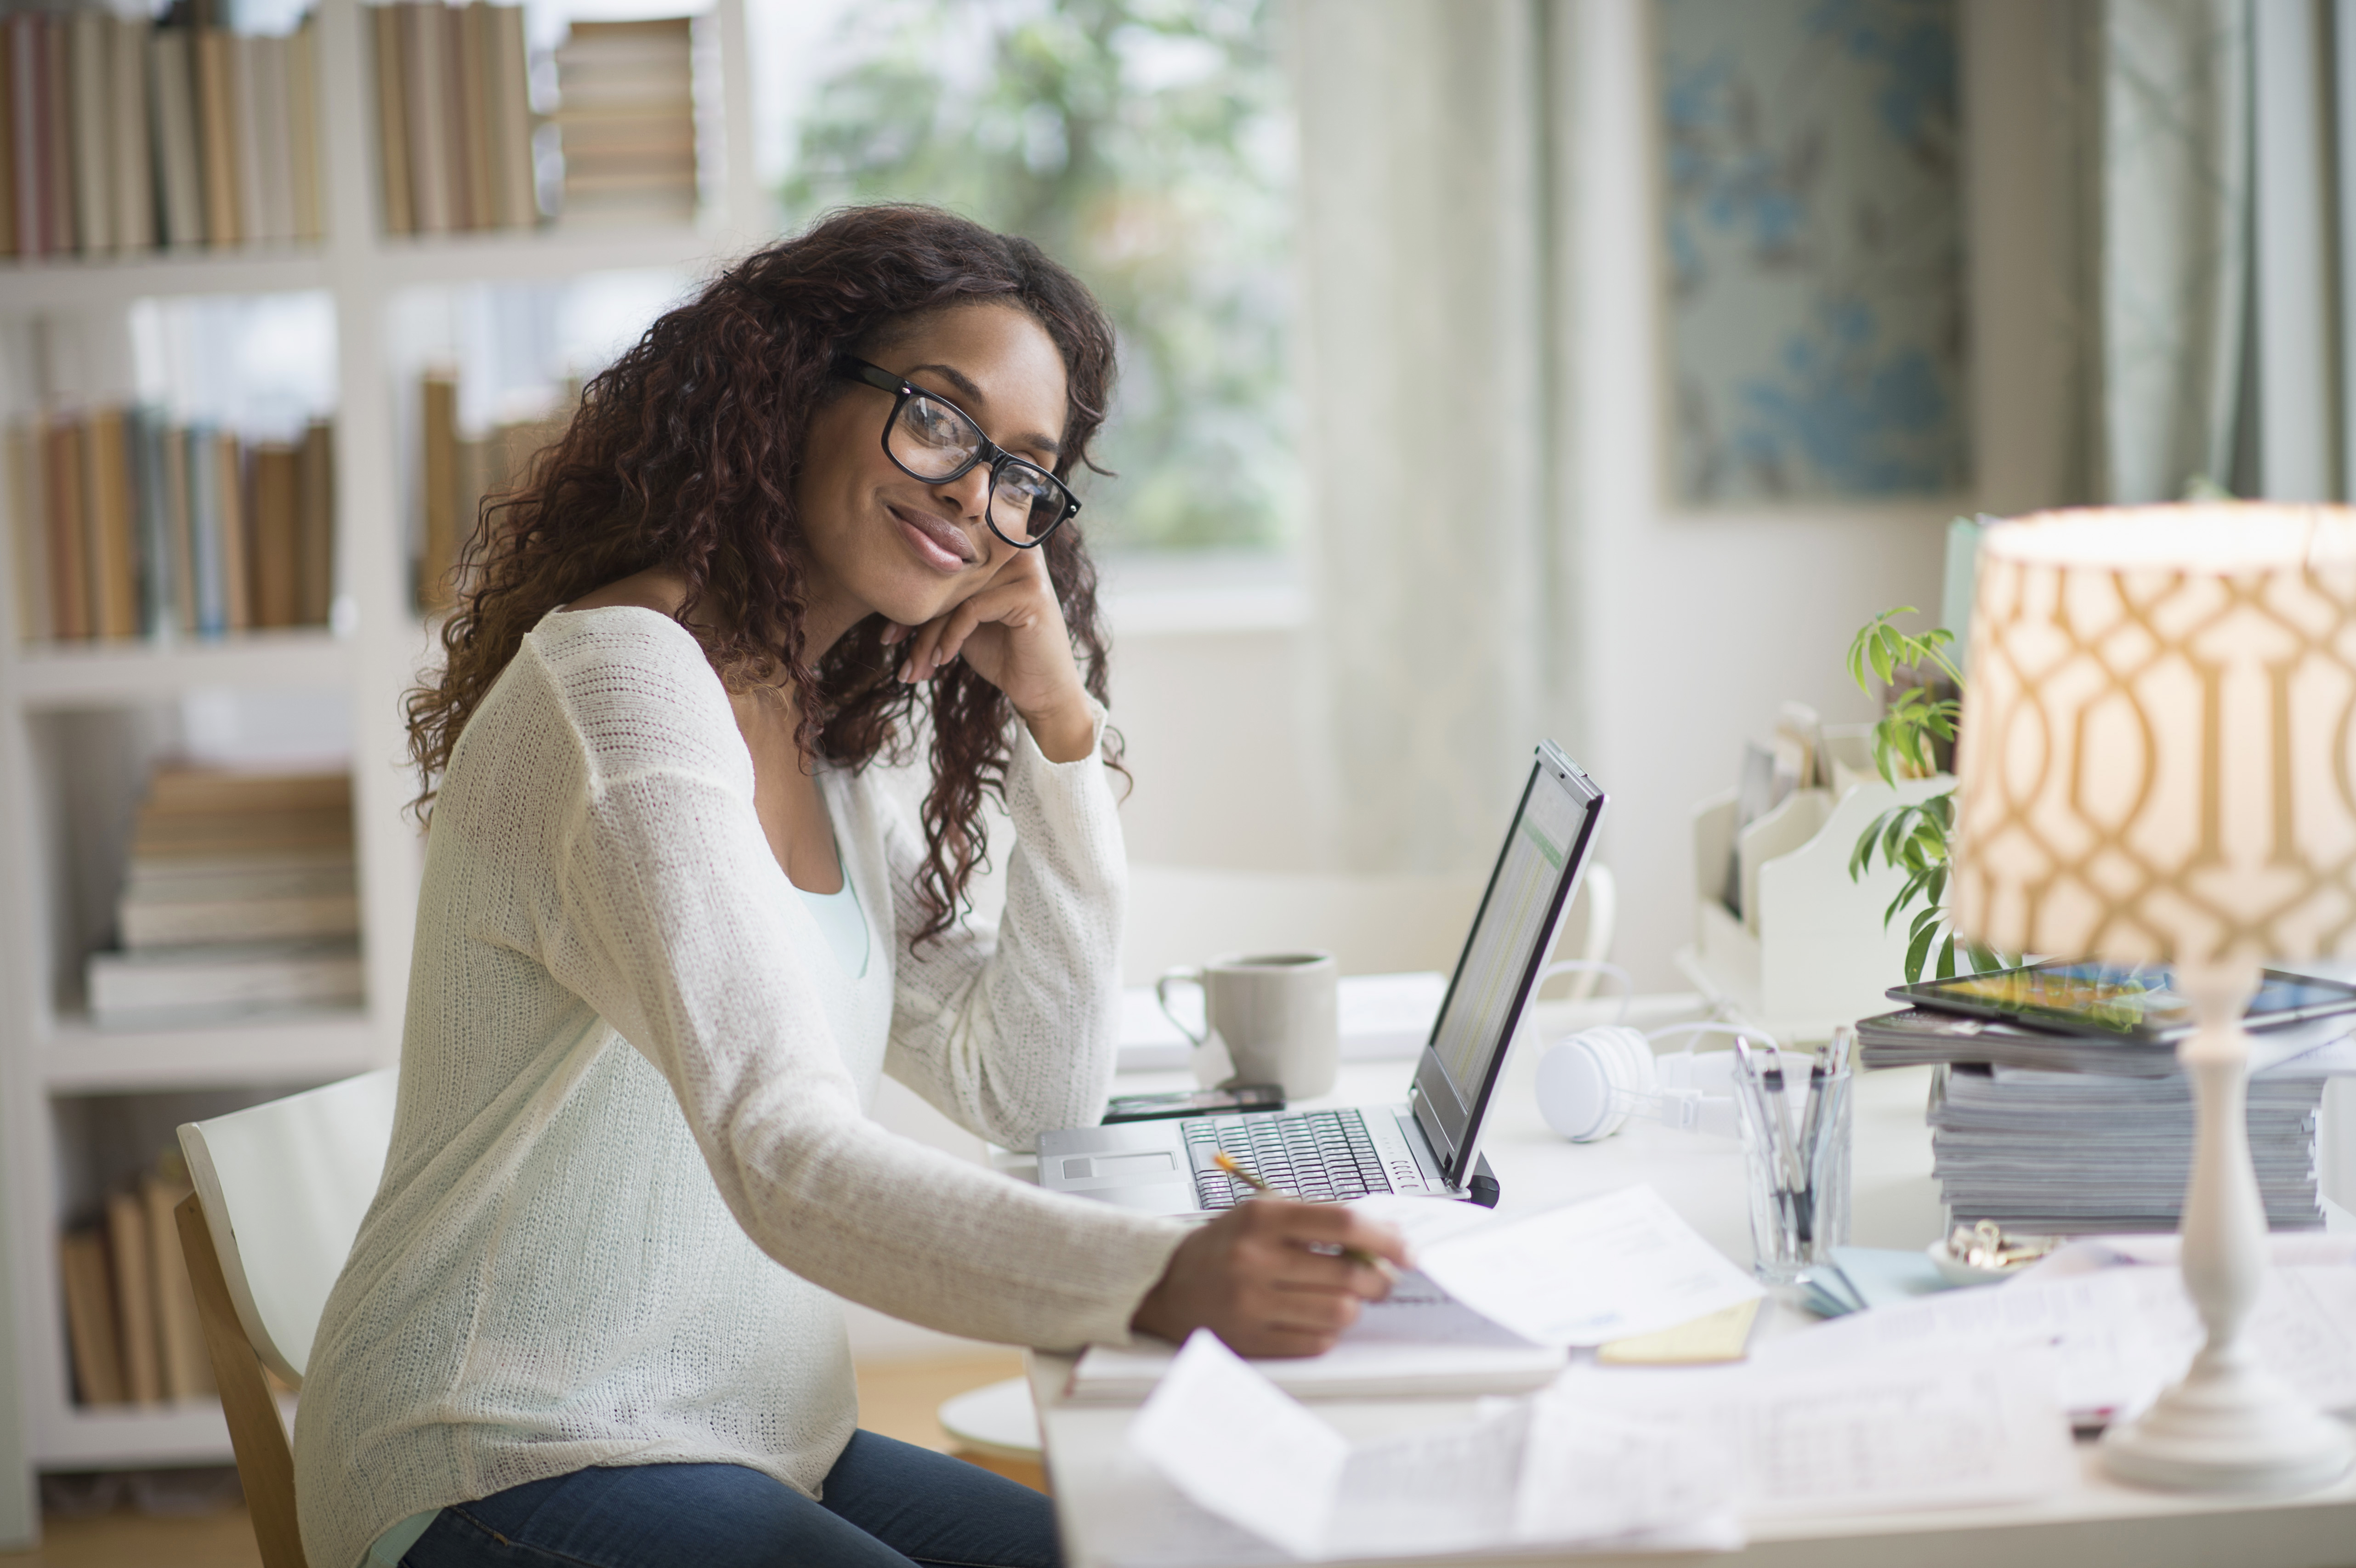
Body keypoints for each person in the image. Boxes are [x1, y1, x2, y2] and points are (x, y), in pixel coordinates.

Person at [293, 205, 1407, 1568]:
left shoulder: (820, 741)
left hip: (762, 1441)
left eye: (1021, 475)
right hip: (503, 1457)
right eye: (939, 418)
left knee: (1157, 1547)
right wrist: (1155, 1279)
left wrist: (1062, 733)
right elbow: (782, 1148)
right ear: (792, 386)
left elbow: (1029, 1092)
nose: (969, 493)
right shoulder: (627, 694)